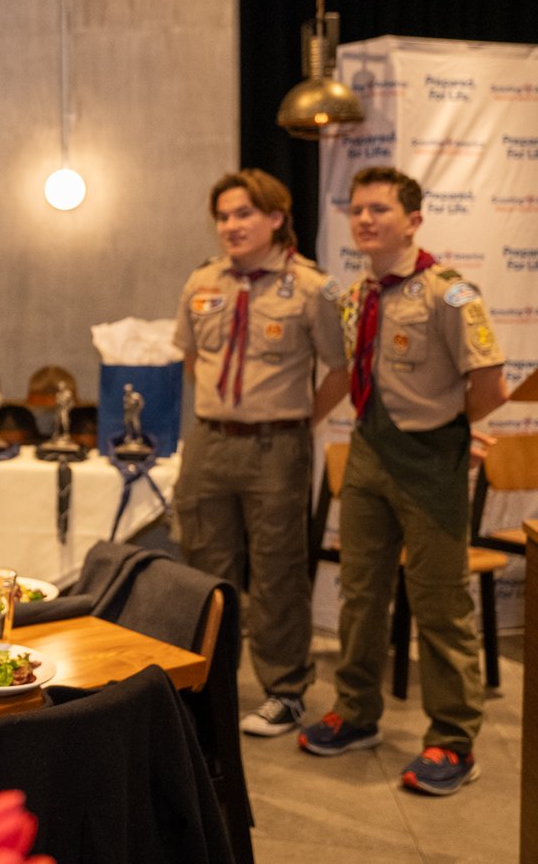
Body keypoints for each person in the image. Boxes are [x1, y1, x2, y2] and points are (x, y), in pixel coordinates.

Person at [299, 166, 506, 797]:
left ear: (412, 221)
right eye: (358, 209)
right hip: (367, 453)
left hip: (430, 464)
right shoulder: (359, 293)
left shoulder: (450, 293)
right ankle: (357, 713)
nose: (365, 219)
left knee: (441, 604)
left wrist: (448, 434)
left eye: (380, 209)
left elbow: (491, 386)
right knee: (361, 594)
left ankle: (453, 740)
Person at [172, 169, 348, 738]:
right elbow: (193, 357)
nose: (231, 226)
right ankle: (207, 685)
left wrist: (296, 418)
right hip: (210, 442)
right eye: (223, 216)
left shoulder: (312, 287)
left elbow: (340, 371)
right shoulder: (202, 280)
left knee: (277, 571)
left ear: (275, 218)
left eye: (243, 214)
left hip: (278, 447)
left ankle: (285, 691)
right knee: (204, 568)